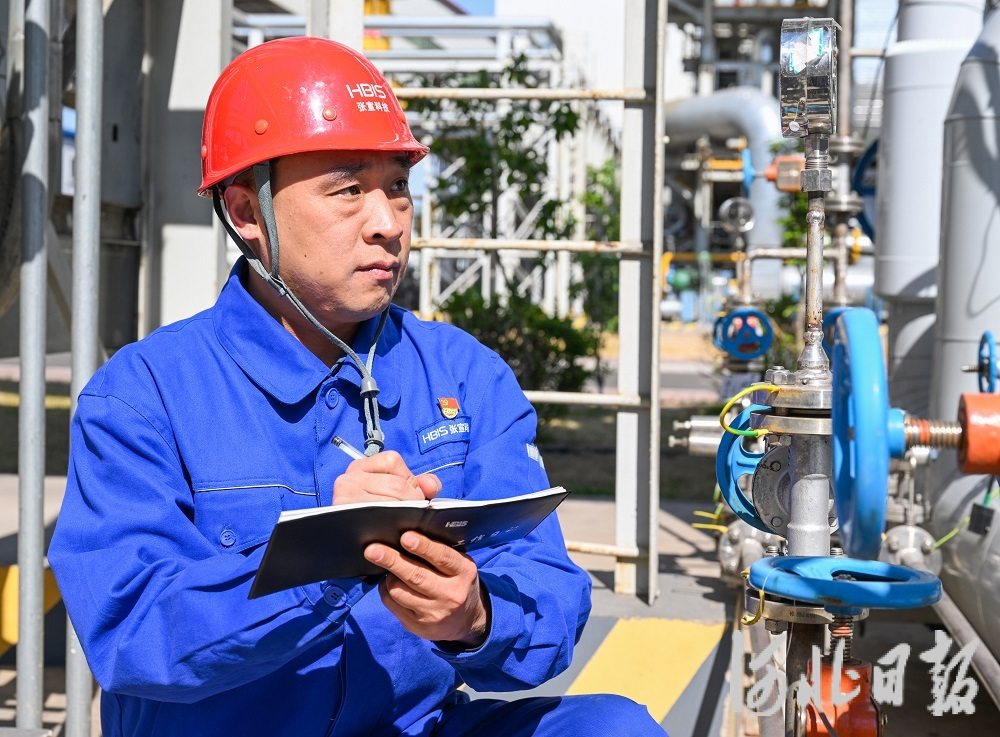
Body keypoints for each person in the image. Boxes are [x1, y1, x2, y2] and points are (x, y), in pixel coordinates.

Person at [49, 37, 666, 737]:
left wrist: (476, 617)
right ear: (247, 213)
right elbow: (132, 634)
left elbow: (547, 590)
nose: (387, 223)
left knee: (614, 728)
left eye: (397, 187)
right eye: (347, 190)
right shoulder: (145, 396)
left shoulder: (462, 374)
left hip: (413, 726)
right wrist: (324, 555)